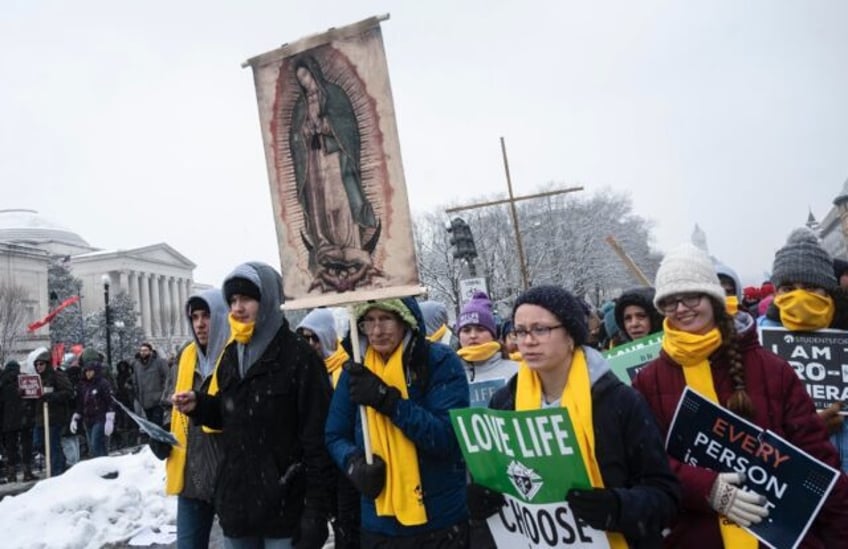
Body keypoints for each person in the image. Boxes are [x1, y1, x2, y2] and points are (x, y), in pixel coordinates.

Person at [632, 242, 848, 547]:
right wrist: (707, 488)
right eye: (669, 301)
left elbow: (820, 466)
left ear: (714, 298)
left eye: (691, 296)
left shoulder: (773, 369)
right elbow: (644, 463)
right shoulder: (648, 381)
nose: (681, 308)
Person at [482, 285, 680, 547]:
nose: (527, 341)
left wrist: (617, 507)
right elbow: (500, 481)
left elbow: (665, 495)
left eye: (540, 329)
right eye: (519, 331)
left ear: (570, 336)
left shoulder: (619, 401)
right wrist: (484, 499)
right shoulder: (505, 402)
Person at [173, 262, 334, 549]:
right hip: (238, 506)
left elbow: (318, 440)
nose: (237, 307)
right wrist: (201, 405)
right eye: (232, 300)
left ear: (269, 300)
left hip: (285, 506)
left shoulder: (299, 357)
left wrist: (316, 512)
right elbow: (231, 415)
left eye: (246, 298)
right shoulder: (233, 355)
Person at [325, 298, 470, 547]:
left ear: (406, 321)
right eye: (368, 321)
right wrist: (353, 463)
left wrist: (388, 401)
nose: (377, 331)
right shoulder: (355, 370)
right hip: (379, 525)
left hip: (440, 524)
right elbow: (335, 434)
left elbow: (446, 438)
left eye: (386, 319)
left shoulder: (439, 361)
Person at [289, 55, 379, 292]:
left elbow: (348, 126)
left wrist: (328, 126)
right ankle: (325, 245)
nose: (305, 82)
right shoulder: (301, 106)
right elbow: (295, 140)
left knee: (339, 202)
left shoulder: (334, 94)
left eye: (306, 75)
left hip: (335, 157)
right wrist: (305, 132)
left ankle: (349, 244)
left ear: (313, 72)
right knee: (320, 206)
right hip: (314, 161)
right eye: (300, 79)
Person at [151, 288, 230, 549]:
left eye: (206, 315)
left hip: (228, 474)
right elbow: (171, 406)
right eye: (194, 317)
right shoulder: (186, 357)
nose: (200, 324)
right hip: (191, 476)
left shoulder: (237, 353)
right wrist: (161, 435)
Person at [33, 349, 72, 475]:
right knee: (38, 443)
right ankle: (60, 461)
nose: (39, 367)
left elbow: (68, 392)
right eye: (37, 364)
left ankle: (57, 471)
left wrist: (51, 396)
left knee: (53, 444)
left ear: (47, 364)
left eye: (41, 364)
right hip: (40, 417)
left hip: (54, 416)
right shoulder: (36, 379)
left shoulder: (57, 376)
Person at [70, 349, 115, 458]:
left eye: (90, 371)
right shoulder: (83, 385)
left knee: (96, 443)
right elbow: (80, 403)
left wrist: (110, 418)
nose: (88, 373)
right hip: (87, 418)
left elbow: (110, 400)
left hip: (100, 417)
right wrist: (76, 417)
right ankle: (104, 466)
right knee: (94, 447)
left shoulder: (102, 383)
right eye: (86, 371)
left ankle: (104, 466)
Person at [0, 360, 37, 482]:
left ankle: (11, 473)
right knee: (26, 445)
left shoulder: (2, 383)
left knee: (11, 447)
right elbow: (33, 398)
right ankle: (27, 471)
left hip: (8, 421)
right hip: (24, 418)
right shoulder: (24, 381)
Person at [296, 308, 348, 388]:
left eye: (315, 337)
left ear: (327, 337)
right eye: (306, 338)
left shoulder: (350, 365)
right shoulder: (304, 367)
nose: (311, 343)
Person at [131, 342, 169, 427]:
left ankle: (157, 440)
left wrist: (163, 395)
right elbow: (135, 381)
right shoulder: (137, 365)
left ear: (151, 351)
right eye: (141, 351)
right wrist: (138, 395)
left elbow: (167, 378)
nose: (143, 352)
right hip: (144, 401)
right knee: (151, 424)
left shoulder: (159, 362)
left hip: (158, 400)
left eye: (145, 350)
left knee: (157, 424)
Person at [114, 360, 137, 448]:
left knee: (128, 417)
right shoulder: (120, 376)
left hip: (126, 398)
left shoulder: (128, 376)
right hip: (122, 398)